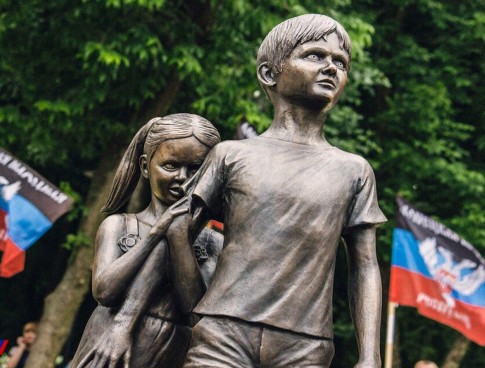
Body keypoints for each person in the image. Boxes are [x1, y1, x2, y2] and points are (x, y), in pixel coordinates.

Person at [179, 14, 387, 368]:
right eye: (315, 55)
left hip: (305, 345)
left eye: (341, 62)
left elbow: (364, 267)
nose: (331, 68)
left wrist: (370, 356)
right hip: (223, 333)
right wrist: (170, 311)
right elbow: (175, 232)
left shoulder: (353, 171)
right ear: (269, 73)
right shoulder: (232, 155)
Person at [71, 114, 222, 368]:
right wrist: (154, 234)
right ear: (145, 166)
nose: (182, 177)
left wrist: (179, 235)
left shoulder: (212, 242)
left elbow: (193, 308)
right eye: (171, 165)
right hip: (108, 345)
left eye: (195, 169)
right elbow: (104, 291)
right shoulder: (119, 226)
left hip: (171, 349)